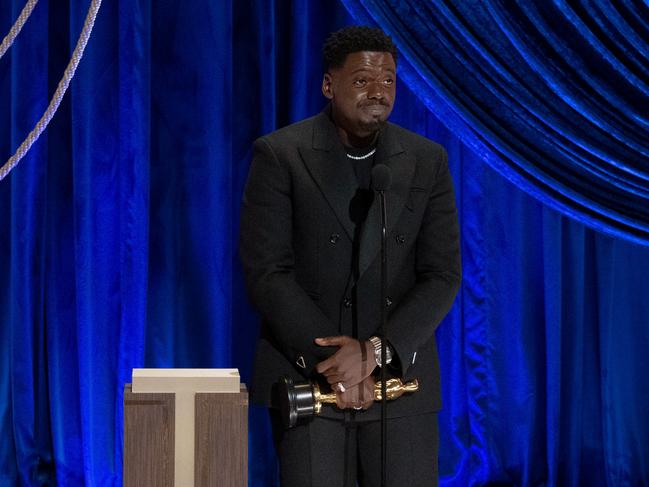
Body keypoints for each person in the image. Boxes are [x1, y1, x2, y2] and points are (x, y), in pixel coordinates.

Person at [240, 25, 461, 487]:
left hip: (401, 387)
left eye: (388, 81)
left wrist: (375, 352)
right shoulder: (281, 155)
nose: (378, 92)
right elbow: (267, 273)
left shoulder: (427, 160)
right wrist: (339, 363)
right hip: (311, 381)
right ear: (328, 85)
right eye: (362, 80)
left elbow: (442, 275)